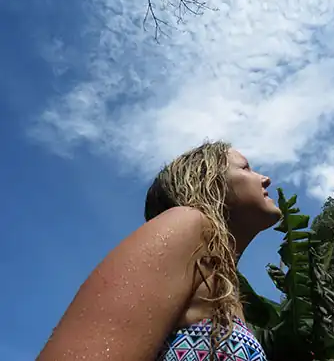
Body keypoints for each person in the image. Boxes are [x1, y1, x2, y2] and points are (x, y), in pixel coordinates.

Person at [37, 141, 282, 361]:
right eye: (246, 168)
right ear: (210, 181)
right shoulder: (188, 224)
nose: (265, 179)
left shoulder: (225, 285)